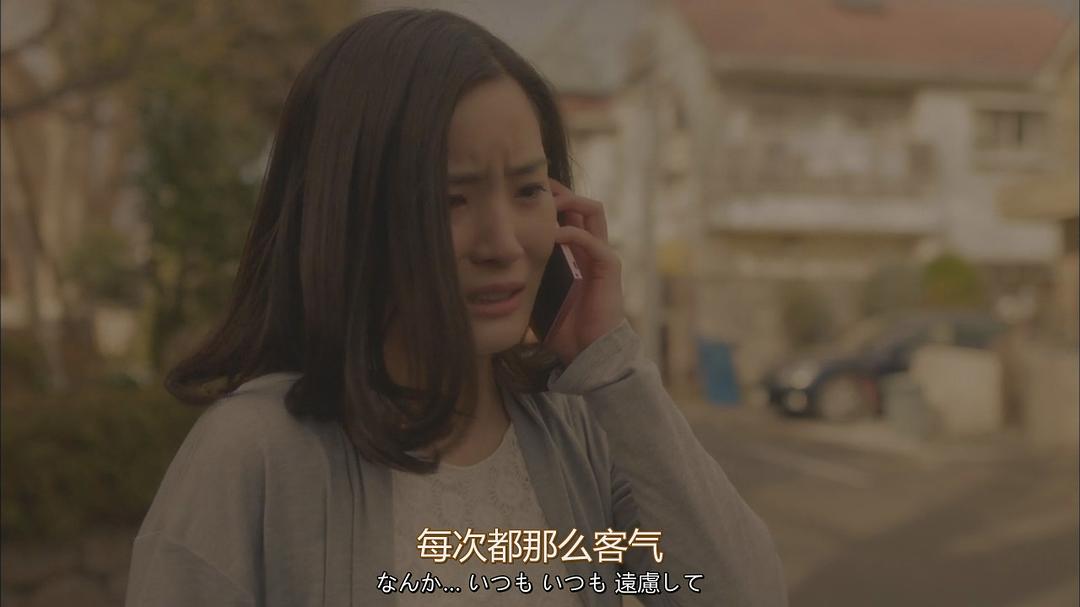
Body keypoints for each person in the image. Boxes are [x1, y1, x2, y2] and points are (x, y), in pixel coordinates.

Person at [123, 8, 787, 607]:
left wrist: (612, 365)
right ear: (348, 215)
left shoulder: (578, 434)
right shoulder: (253, 456)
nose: (502, 244)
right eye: (450, 200)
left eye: (527, 190)